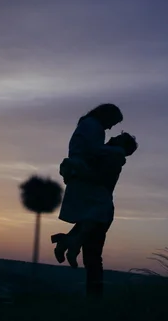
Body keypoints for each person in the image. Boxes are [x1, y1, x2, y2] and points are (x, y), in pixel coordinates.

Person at [53, 131, 138, 298]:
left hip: (100, 211)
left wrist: (77, 171)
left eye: (119, 138)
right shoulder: (107, 155)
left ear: (122, 146)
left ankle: (94, 297)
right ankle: (94, 295)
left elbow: (98, 178)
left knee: (92, 256)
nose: (113, 137)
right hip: (95, 210)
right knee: (91, 255)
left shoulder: (113, 158)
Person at [50, 103, 123, 268]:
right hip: (83, 171)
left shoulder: (91, 125)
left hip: (82, 170)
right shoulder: (93, 125)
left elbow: (93, 149)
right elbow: (92, 149)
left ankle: (68, 242)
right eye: (113, 122)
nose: (111, 127)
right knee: (98, 213)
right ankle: (70, 244)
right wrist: (115, 151)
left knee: (92, 215)